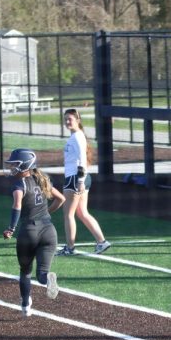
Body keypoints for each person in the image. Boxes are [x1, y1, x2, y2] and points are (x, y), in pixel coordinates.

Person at [2, 148, 65, 317]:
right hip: (49, 231)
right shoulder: (42, 179)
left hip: (29, 232)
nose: (11, 167)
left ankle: (25, 305)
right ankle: (47, 279)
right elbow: (61, 199)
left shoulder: (19, 184)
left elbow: (17, 206)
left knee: (25, 271)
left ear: (24, 165)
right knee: (41, 273)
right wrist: (47, 213)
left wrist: (11, 228)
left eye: (15, 164)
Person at [56, 108, 111, 256]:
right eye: (65, 119)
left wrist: (80, 180)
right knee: (82, 212)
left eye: (70, 119)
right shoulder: (75, 136)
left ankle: (69, 248)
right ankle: (102, 242)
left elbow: (82, 159)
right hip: (78, 178)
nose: (67, 121)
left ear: (78, 120)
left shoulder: (78, 137)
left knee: (68, 214)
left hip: (76, 178)